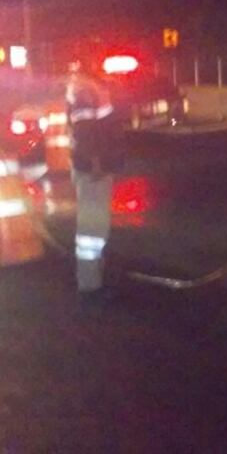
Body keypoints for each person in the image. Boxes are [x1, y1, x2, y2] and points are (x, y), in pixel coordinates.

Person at [66, 54, 124, 296]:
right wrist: (96, 164)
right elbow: (85, 131)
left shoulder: (88, 87)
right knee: (92, 228)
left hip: (94, 167)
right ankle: (90, 283)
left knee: (96, 226)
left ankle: (93, 276)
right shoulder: (85, 89)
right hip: (93, 170)